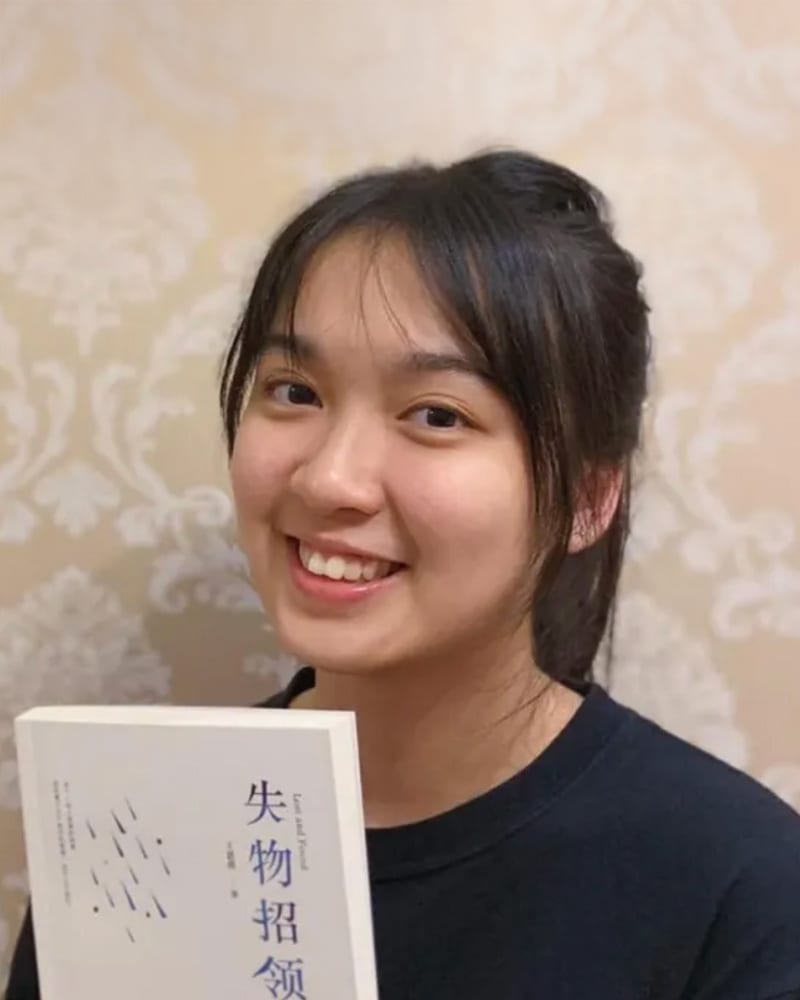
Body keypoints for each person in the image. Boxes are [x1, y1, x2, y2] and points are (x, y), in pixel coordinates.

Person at [6, 150, 800, 999]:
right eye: (295, 390)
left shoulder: (741, 886)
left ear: (587, 496)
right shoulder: (127, 835)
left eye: (435, 414)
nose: (328, 479)